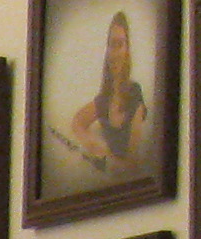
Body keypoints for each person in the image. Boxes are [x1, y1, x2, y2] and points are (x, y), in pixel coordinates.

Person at [63, 9, 150, 175]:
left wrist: (107, 159)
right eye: (111, 45)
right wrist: (92, 144)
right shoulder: (103, 100)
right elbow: (77, 121)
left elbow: (133, 162)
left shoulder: (134, 93)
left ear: (127, 49)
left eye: (120, 45)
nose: (115, 53)